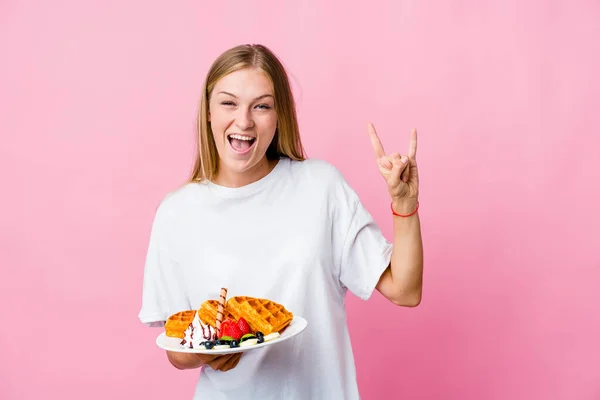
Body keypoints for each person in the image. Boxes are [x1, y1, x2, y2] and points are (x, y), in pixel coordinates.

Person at [138, 43, 423, 400]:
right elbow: (176, 349)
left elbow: (405, 290)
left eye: (262, 106)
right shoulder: (176, 212)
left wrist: (404, 204)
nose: (244, 121)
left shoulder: (321, 187)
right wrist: (207, 351)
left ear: (279, 115)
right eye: (229, 103)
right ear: (208, 111)